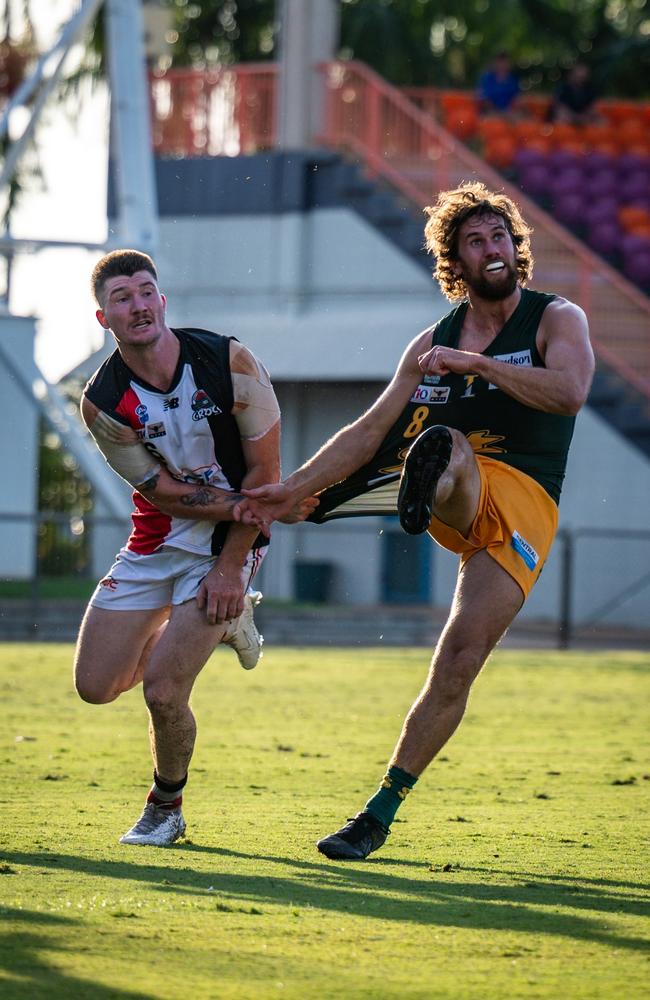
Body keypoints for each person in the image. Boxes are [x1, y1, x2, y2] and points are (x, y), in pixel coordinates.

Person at [236, 181, 595, 861]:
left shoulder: (556, 318)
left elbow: (572, 392)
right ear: (453, 263)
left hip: (524, 505)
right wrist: (292, 489)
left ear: (514, 250)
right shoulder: (430, 341)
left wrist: (477, 366)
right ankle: (420, 483)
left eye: (499, 238)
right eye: (474, 241)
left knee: (457, 662)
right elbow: (368, 429)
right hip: (461, 486)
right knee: (447, 448)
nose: (491, 249)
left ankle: (377, 812)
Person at [74, 248, 311, 847]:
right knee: (95, 686)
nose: (138, 305)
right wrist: (250, 502)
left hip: (228, 545)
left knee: (162, 690)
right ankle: (210, 628)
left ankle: (166, 807)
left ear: (162, 300)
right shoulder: (103, 402)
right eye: (121, 298)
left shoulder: (229, 361)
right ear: (104, 320)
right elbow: (163, 492)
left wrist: (232, 567)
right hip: (157, 537)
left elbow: (264, 471)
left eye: (145, 291)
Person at [550, 62, 599, 126]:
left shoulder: (590, 89)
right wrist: (575, 118)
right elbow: (560, 108)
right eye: (578, 76)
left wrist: (583, 117)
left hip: (583, 118)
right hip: (568, 117)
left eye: (583, 76)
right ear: (571, 75)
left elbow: (592, 108)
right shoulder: (563, 88)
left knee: (601, 122)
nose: (581, 78)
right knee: (561, 118)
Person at [477, 52, 521, 117]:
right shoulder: (487, 78)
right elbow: (483, 98)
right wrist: (495, 112)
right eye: (500, 62)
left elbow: (516, 98)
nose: (503, 65)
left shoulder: (512, 80)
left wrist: (510, 111)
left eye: (505, 62)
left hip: (508, 112)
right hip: (489, 112)